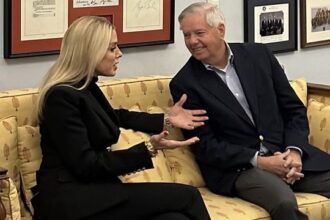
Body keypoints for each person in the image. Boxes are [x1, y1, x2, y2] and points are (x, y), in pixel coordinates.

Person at [32, 16, 211, 220]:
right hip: (73, 200)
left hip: (95, 192)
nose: (119, 54)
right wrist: (149, 149)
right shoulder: (61, 97)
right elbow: (86, 166)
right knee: (189, 196)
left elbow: (114, 116)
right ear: (90, 51)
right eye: (112, 48)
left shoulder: (85, 87)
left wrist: (165, 120)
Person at [170, 2, 330, 220]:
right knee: (283, 201)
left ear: (220, 30)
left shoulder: (259, 55)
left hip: (285, 155)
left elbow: (293, 110)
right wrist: (260, 161)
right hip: (240, 168)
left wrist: (294, 151)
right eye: (186, 35)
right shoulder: (185, 83)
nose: (192, 42)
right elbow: (206, 146)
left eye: (199, 33)